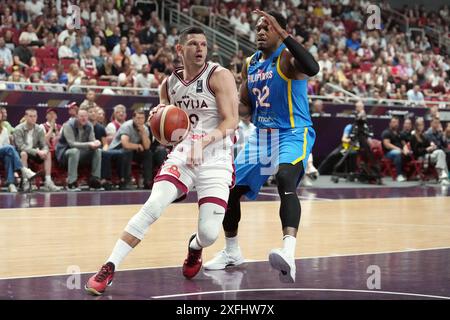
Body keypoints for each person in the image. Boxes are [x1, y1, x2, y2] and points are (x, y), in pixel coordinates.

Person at [85, 26, 239, 295]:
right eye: (193, 44)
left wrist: (205, 140)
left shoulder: (220, 75)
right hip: (184, 154)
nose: (200, 48)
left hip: (216, 156)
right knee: (153, 206)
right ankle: (109, 266)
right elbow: (167, 135)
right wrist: (161, 125)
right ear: (180, 50)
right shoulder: (167, 85)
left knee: (209, 234)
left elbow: (232, 121)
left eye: (203, 44)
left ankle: (195, 247)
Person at [205, 10, 319, 283]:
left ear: (279, 31)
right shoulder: (251, 63)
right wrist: (220, 103)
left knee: (284, 177)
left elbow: (313, 68)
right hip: (261, 136)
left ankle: (288, 252)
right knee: (230, 190)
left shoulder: (288, 58)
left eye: (267, 28)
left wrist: (285, 35)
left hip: (293, 132)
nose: (260, 32)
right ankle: (232, 252)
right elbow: (246, 106)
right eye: (257, 28)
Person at [13, 108, 61, 192]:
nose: (33, 118)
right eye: (30, 116)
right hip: (20, 153)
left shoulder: (38, 129)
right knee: (24, 153)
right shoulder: (18, 129)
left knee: (48, 153)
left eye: (34, 116)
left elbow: (44, 144)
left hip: (34, 153)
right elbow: (21, 146)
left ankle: (48, 181)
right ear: (26, 117)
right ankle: (25, 181)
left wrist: (45, 151)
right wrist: (37, 151)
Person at [55, 109, 102, 191]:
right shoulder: (68, 125)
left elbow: (92, 140)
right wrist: (89, 144)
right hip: (65, 153)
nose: (84, 118)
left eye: (85, 116)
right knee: (74, 151)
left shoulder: (89, 125)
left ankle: (94, 180)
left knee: (98, 151)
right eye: (81, 116)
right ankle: (71, 183)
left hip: (82, 153)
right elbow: (71, 144)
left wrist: (96, 143)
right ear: (77, 117)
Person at [0, 109, 37, 192]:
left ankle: (11, 184)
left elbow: (6, 144)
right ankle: (24, 170)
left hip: (2, 153)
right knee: (10, 148)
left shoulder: (4, 130)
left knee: (8, 156)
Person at [410, 117, 449, 185]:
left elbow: (429, 144)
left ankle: (443, 177)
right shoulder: (413, 137)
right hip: (421, 157)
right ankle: (443, 177)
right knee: (440, 153)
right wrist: (427, 149)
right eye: (420, 125)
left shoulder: (423, 136)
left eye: (422, 125)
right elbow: (416, 152)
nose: (422, 126)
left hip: (428, 155)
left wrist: (432, 145)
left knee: (441, 152)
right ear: (416, 126)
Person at [381, 116, 408, 182]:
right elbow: (387, 145)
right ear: (390, 123)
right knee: (397, 153)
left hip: (400, 151)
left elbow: (404, 143)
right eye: (394, 122)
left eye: (397, 122)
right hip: (388, 153)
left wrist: (405, 149)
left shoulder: (399, 133)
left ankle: (408, 174)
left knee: (409, 153)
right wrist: (398, 149)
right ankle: (399, 175)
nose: (395, 124)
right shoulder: (386, 132)